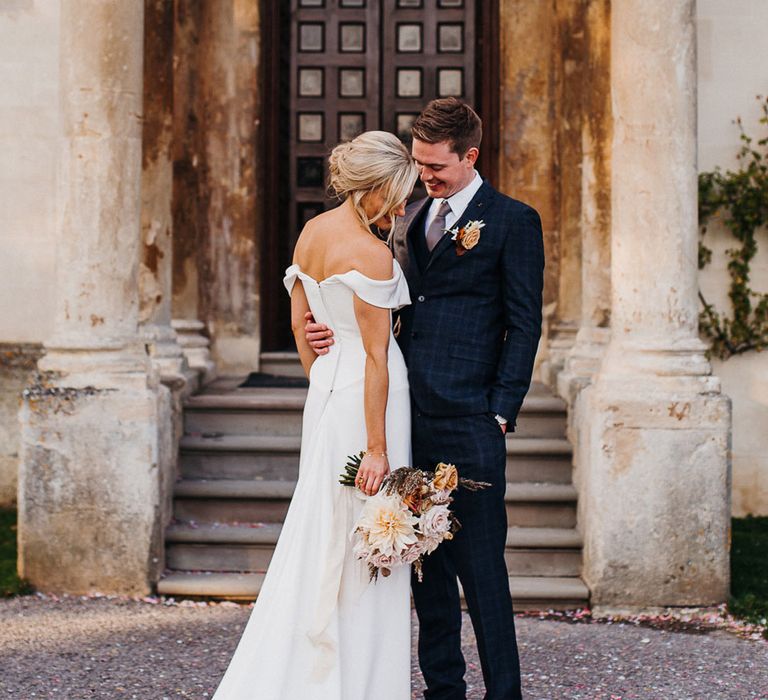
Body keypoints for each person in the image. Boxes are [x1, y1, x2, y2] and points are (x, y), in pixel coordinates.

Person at [306, 98, 545, 700]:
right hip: (406, 415)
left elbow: (525, 323)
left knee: (482, 571)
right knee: (425, 568)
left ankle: (505, 693)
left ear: (471, 156)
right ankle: (443, 690)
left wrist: (500, 410)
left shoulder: (514, 220)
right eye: (418, 165)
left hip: (471, 418)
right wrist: (321, 330)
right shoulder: (404, 216)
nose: (424, 178)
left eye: (437, 168)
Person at [211, 130, 418, 699]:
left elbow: (304, 326)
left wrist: (324, 379)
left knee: (325, 529)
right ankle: (360, 682)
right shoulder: (371, 255)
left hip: (329, 395)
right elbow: (377, 359)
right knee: (367, 538)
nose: (402, 208)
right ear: (372, 188)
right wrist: (376, 448)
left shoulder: (311, 232)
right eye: (396, 195)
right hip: (371, 405)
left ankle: (310, 667)